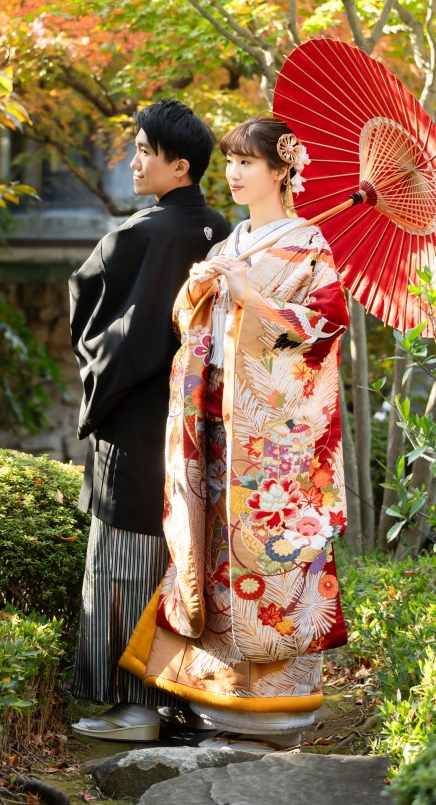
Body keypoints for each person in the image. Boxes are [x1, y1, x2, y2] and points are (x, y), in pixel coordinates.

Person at [120, 116, 350, 749]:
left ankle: (279, 709)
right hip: (219, 431)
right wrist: (196, 295)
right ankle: (216, 701)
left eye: (247, 163)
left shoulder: (309, 245)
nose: (234, 174)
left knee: (274, 562)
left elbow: (326, 326)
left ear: (281, 170)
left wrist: (255, 300)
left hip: (276, 448)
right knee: (216, 555)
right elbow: (189, 330)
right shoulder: (229, 243)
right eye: (230, 162)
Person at [69, 99, 230, 742]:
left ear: (179, 166)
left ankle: (134, 706)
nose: (133, 161)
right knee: (193, 565)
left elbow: (107, 329)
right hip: (206, 433)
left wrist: (98, 381)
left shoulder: (138, 236)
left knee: (125, 561)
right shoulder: (228, 235)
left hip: (140, 430)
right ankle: (193, 701)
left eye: (144, 151)